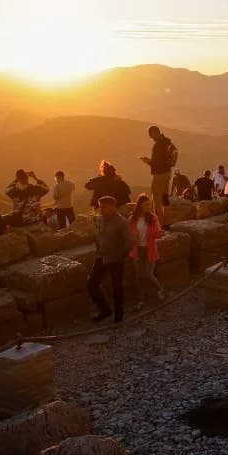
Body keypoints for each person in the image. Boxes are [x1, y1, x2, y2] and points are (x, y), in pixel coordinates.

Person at [87, 196, 132, 324]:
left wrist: (121, 256)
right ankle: (105, 310)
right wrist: (98, 249)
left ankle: (119, 315)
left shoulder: (121, 222)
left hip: (116, 258)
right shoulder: (100, 219)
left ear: (112, 207)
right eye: (100, 206)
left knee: (117, 287)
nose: (100, 209)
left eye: (103, 207)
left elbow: (129, 242)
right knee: (91, 284)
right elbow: (99, 236)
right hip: (101, 256)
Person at [128, 194, 165, 307]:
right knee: (139, 275)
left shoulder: (153, 218)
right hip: (137, 249)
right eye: (146, 205)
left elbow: (157, 232)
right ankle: (141, 298)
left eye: (149, 204)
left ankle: (160, 289)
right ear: (140, 206)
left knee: (148, 273)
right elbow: (128, 234)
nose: (149, 207)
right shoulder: (132, 219)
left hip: (150, 249)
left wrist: (160, 234)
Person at [140, 125, 177, 222]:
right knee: (165, 196)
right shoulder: (167, 141)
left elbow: (156, 163)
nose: (150, 137)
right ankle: (168, 221)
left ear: (155, 132)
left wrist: (147, 161)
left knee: (156, 197)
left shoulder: (158, 145)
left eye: (151, 135)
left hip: (159, 173)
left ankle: (159, 222)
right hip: (168, 172)